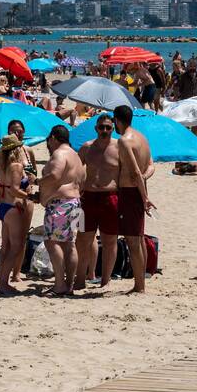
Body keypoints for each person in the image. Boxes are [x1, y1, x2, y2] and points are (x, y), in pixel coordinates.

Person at [77, 113, 122, 288]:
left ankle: (105, 280)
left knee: (110, 240)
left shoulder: (119, 148)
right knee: (82, 239)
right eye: (101, 127)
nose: (104, 130)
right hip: (87, 198)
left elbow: (131, 172)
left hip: (111, 198)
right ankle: (80, 279)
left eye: (108, 127)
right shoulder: (87, 147)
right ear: (96, 128)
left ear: (113, 129)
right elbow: (75, 170)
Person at [113, 104, 154, 293]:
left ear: (117, 120)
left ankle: (139, 286)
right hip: (138, 190)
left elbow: (136, 171)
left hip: (131, 193)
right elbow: (150, 166)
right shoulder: (143, 138)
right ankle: (141, 282)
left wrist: (144, 197)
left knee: (133, 241)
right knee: (138, 238)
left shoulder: (124, 140)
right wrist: (144, 183)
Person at [39, 124, 84, 296]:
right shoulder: (76, 155)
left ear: (53, 138)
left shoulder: (59, 153)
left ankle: (59, 284)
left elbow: (55, 176)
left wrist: (38, 181)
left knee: (52, 242)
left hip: (60, 204)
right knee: (69, 244)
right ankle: (69, 284)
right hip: (74, 202)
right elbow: (82, 179)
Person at [0, 135, 33, 296]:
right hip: (12, 207)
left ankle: (1, 281)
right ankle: (3, 283)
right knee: (15, 247)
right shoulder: (16, 166)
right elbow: (15, 189)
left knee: (5, 247)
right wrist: (30, 196)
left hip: (4, 207)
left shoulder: (3, 165)